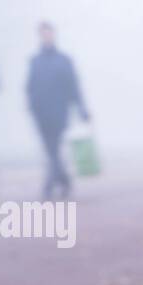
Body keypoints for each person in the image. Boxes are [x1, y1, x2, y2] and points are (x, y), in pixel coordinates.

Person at [26, 21, 90, 199]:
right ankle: (65, 180)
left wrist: (82, 108)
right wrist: (31, 106)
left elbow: (74, 86)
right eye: (43, 33)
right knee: (50, 150)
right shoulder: (35, 62)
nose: (46, 36)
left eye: (49, 33)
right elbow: (30, 87)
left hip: (59, 112)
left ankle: (48, 186)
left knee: (53, 149)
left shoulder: (64, 61)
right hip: (41, 114)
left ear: (53, 35)